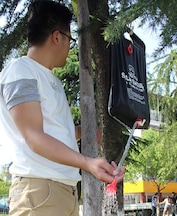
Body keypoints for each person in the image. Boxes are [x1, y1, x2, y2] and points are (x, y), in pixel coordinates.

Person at [0, 1, 124, 216]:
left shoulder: (50, 80)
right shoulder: (21, 70)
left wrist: (83, 134)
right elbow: (33, 136)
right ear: (57, 37)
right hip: (40, 191)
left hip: (62, 191)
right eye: (70, 39)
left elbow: (51, 131)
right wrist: (87, 163)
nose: (70, 46)